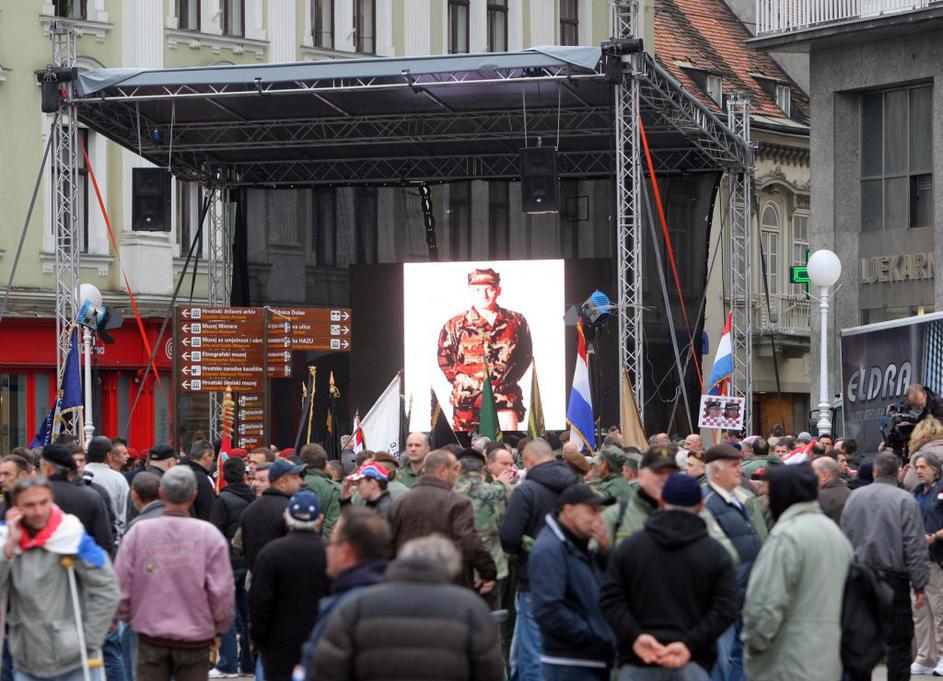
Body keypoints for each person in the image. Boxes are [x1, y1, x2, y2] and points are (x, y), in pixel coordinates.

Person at [310, 534, 504, 681]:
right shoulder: (469, 608)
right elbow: (489, 671)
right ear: (450, 568)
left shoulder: (358, 605)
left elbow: (327, 668)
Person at [600, 474, 738, 680]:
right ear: (701, 506)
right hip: (692, 663)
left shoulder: (630, 547)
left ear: (661, 501)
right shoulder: (715, 553)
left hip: (637, 662)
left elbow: (610, 599)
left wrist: (636, 637)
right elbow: (726, 607)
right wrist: (689, 644)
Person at [115, 466, 234, 681]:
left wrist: (123, 615)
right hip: (194, 638)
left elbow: (122, 582)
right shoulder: (209, 536)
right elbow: (222, 591)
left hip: (151, 635)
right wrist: (219, 628)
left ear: (161, 494)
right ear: (194, 496)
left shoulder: (139, 533)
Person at [0, 477, 120, 681]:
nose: (38, 511)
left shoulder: (71, 535)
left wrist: (88, 639)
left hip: (72, 660)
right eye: (29, 505)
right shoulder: (6, 538)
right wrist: (8, 549)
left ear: (52, 500)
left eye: (43, 502)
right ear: (16, 508)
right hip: (24, 656)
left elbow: (107, 587)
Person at [742, 463, 853, 681]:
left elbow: (765, 606)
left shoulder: (786, 536)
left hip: (787, 661)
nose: (765, 501)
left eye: (769, 493)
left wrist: (753, 643)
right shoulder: (834, 533)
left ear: (784, 494)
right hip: (828, 659)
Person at [842, 452, 929, 681]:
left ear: (875, 471)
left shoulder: (855, 497)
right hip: (894, 580)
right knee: (899, 642)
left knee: (860, 639)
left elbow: (845, 536)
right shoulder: (905, 500)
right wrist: (920, 585)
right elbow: (915, 545)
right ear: (898, 471)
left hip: (861, 577)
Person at [499, 440, 577, 681]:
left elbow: (509, 538)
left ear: (528, 462)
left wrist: (526, 545)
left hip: (532, 580)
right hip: (571, 577)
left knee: (532, 652)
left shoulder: (526, 490)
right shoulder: (576, 487)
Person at [530, 484, 615, 680]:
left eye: (600, 512)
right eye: (591, 511)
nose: (598, 519)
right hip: (570, 663)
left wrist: (604, 555)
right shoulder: (550, 548)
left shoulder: (577, 543)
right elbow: (549, 610)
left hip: (588, 659)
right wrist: (597, 637)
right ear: (568, 511)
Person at [296, 508, 392, 681]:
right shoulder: (395, 600)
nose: (327, 550)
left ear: (346, 550)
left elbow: (316, 668)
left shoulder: (342, 608)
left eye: (331, 543)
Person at [437, 267, 533, 432]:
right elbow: (445, 360)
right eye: (477, 290)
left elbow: (525, 356)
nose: (484, 295)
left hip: (504, 399)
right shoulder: (455, 324)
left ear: (498, 290)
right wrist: (468, 384)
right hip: (468, 403)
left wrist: (505, 382)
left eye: (489, 289)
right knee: (467, 450)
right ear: (470, 291)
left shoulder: (515, 321)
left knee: (506, 449)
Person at [388, 449, 496, 590]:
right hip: (449, 582)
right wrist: (488, 571)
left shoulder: (401, 502)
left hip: (407, 581)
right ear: (442, 470)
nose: (458, 475)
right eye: (455, 469)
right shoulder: (457, 503)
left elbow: (388, 543)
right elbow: (469, 541)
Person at [250, 490, 328, 681]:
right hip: (322, 639)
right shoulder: (331, 552)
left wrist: (259, 638)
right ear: (320, 519)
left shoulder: (271, 553)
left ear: (287, 516)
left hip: (280, 643)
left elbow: (260, 601)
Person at [702, 445, 762, 681]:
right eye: (734, 466)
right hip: (723, 598)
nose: (740, 470)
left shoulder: (737, 499)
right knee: (720, 659)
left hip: (743, 595)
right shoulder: (708, 503)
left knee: (741, 657)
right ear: (716, 472)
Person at [210, 458, 256, 678]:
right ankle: (248, 663)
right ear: (245, 475)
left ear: (225, 476)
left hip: (227, 563)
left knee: (226, 614)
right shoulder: (254, 498)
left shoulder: (222, 500)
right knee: (247, 615)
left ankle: (228, 663)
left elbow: (215, 532)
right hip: (247, 562)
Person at [453, 448, 509, 610]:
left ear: (458, 468)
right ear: (482, 468)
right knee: (491, 621)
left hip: (458, 569)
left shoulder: (446, 493)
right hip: (492, 567)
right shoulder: (499, 491)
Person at [40, 444, 113, 555]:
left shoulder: (35, 497)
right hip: (84, 563)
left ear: (47, 467)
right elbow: (105, 541)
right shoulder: (93, 496)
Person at [241, 458, 305, 571]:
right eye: (295, 477)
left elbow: (243, 549)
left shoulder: (248, 510)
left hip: (258, 578)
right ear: (282, 482)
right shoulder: (290, 509)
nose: (300, 481)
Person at [911, 451, 943, 676]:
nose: (919, 471)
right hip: (917, 560)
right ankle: (925, 656)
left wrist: (935, 536)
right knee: (920, 611)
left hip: (936, 558)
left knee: (939, 609)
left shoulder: (940, 492)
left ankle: (941, 655)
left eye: (922, 467)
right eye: (917, 467)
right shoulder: (915, 493)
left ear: (935, 469)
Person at [86, 436, 130, 543]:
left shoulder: (79, 474)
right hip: (111, 538)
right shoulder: (118, 479)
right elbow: (124, 512)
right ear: (109, 455)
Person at [300, 444, 341, 537]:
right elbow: (332, 527)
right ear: (325, 463)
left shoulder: (294, 483)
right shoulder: (334, 489)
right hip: (321, 545)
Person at [182, 440, 216, 521]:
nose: (212, 461)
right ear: (206, 456)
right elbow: (207, 511)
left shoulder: (179, 473)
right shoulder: (202, 480)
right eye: (213, 457)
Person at [811, 456, 851, 523]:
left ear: (824, 475)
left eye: (813, 473)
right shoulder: (851, 493)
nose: (811, 477)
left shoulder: (820, 497)